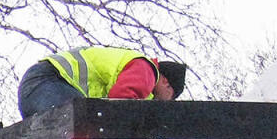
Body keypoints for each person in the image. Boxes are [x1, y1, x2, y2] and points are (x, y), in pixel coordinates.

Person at [17, 47, 188, 119]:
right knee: (85, 126)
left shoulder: (137, 69)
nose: (167, 103)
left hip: (36, 90)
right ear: (166, 82)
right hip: (47, 82)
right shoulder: (147, 71)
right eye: (171, 97)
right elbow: (120, 104)